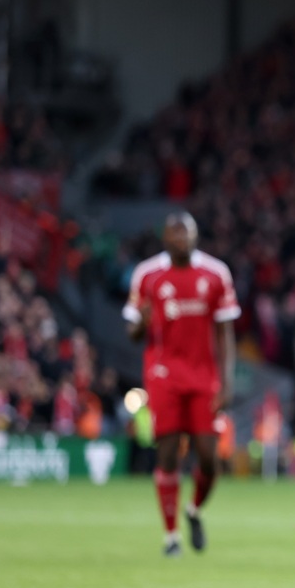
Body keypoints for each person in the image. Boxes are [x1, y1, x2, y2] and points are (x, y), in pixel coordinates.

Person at [124, 212, 239, 557]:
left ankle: (194, 510)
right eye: (175, 234)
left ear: (196, 236)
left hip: (205, 378)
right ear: (165, 239)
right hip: (164, 376)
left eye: (186, 234)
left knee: (208, 458)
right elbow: (132, 332)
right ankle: (171, 536)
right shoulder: (147, 275)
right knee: (169, 453)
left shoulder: (216, 274)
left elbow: (225, 331)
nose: (181, 239)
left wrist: (226, 380)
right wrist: (142, 324)